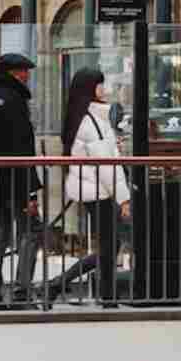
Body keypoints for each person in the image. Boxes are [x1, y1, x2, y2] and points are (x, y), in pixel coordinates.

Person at [47, 66, 131, 305]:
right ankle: (105, 296)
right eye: (100, 84)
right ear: (90, 88)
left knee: (109, 245)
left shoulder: (85, 117)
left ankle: (61, 285)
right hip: (100, 190)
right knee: (109, 245)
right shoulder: (92, 121)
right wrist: (123, 198)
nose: (104, 89)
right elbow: (106, 166)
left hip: (93, 190)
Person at [0, 52, 41, 309]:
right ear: (15, 73)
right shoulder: (15, 101)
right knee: (30, 231)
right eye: (24, 71)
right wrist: (30, 192)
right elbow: (22, 146)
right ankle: (21, 290)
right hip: (17, 179)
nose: (27, 76)